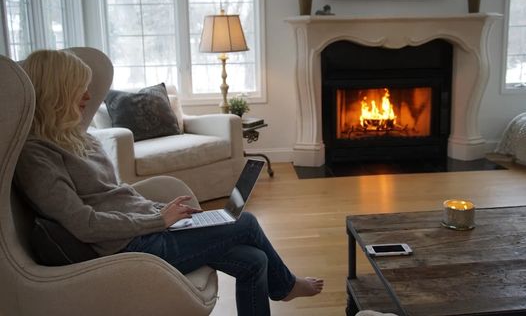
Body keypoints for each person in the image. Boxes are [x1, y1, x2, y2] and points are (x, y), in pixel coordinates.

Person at [15, 49, 323, 315]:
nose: (87, 96)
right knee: (246, 221)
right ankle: (286, 286)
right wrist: (157, 219)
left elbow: (118, 196)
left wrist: (167, 213)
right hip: (130, 247)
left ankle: (281, 283)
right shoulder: (36, 155)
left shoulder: (77, 138)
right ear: (56, 93)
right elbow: (84, 223)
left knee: (254, 260)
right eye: (78, 89)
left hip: (150, 229)